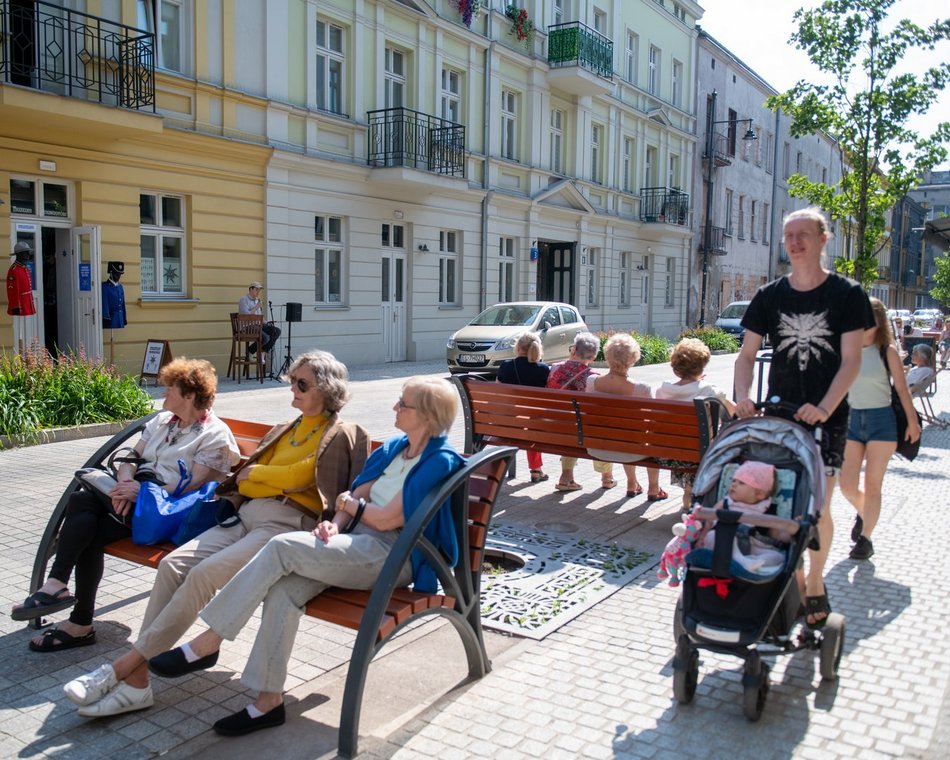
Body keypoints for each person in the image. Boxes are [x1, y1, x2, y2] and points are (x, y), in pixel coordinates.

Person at [141, 377, 463, 737]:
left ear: (429, 416)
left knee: (281, 546)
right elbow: (353, 497)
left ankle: (208, 642)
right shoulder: (395, 448)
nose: (395, 408)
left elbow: (388, 518)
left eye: (403, 404)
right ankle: (268, 703)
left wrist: (351, 507)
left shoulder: (440, 460)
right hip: (354, 542)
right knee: (284, 591)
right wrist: (336, 525)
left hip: (393, 552)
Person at [60, 350, 370, 718]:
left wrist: (268, 479)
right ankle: (137, 680)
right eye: (292, 381)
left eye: (302, 383)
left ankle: (126, 670)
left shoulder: (344, 432)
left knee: (203, 574)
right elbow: (245, 479)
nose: (294, 389)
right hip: (244, 517)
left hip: (285, 526)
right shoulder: (284, 429)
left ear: (327, 389)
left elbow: (301, 478)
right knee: (174, 566)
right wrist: (269, 480)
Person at [12, 358, 240, 650]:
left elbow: (192, 485)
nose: (163, 394)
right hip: (132, 503)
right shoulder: (161, 422)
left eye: (170, 388)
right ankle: (78, 620)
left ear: (190, 396)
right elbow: (132, 457)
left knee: (83, 500)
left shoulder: (214, 435)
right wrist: (125, 483)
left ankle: (60, 591)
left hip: (167, 514)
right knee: (89, 526)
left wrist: (140, 492)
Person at [734, 206, 874, 629]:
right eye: (788, 235)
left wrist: (826, 407)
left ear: (823, 239)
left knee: (818, 505)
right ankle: (792, 576)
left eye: (804, 235)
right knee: (779, 501)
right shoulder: (770, 295)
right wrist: (742, 398)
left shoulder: (848, 295)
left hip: (826, 416)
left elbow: (851, 362)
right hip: (778, 413)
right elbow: (745, 355)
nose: (795, 243)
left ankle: (814, 582)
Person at [839, 298, 920, 561]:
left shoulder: (888, 351)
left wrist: (912, 421)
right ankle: (865, 514)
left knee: (873, 484)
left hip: (881, 421)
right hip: (853, 420)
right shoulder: (846, 349)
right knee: (847, 485)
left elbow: (902, 390)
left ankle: (866, 539)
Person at [655, 338, 736, 510]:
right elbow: (734, 411)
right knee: (707, 443)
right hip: (699, 453)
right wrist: (702, 383)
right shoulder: (709, 390)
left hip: (669, 452)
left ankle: (687, 491)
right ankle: (692, 493)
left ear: (675, 367)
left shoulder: (663, 390)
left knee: (683, 440)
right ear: (702, 366)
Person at [583, 333, 658, 498]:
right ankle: (654, 488)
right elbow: (653, 422)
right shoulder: (642, 388)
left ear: (607, 355)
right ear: (633, 359)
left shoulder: (591, 382)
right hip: (630, 450)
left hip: (597, 446)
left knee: (626, 435)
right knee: (648, 439)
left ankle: (632, 483)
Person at [698, 461, 789, 575]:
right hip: (723, 541)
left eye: (741, 483)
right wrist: (701, 538)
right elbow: (709, 523)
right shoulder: (725, 504)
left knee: (778, 557)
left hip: (752, 547)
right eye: (734, 480)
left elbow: (775, 534)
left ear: (759, 493)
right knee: (712, 535)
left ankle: (752, 562)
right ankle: (740, 561)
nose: (733, 485)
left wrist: (791, 532)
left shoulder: (766, 510)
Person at [546, 332, 599, 492]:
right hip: (576, 429)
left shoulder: (555, 368)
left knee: (572, 423)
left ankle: (567, 476)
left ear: (573, 350)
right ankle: (606, 477)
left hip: (549, 424)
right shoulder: (593, 377)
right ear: (594, 356)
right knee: (582, 425)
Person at [496, 332, 551, 482]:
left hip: (508, 420)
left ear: (518, 347)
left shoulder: (505, 366)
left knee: (525, 423)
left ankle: (498, 469)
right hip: (532, 420)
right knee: (535, 424)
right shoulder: (543, 369)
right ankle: (536, 469)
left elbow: (498, 391)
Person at [238, 281, 281, 355]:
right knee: (265, 338)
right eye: (256, 289)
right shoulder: (243, 300)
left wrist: (267, 322)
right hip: (247, 327)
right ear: (251, 289)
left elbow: (259, 316)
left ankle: (262, 352)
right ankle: (249, 352)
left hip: (258, 326)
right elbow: (246, 315)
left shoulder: (257, 300)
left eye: (259, 290)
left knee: (276, 331)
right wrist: (256, 307)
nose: (258, 292)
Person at [6, 241, 36, 317]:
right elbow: (12, 291)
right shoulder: (14, 270)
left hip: (27, 304)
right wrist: (15, 307)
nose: (28, 255)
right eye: (26, 253)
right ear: (19, 254)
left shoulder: (24, 268)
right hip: (20, 306)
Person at [101, 261, 127, 329]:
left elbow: (123, 304)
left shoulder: (120, 287)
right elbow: (105, 304)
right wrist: (106, 318)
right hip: (111, 320)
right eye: (116, 274)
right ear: (111, 273)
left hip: (120, 319)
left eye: (119, 275)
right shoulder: (105, 287)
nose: (118, 277)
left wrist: (124, 318)